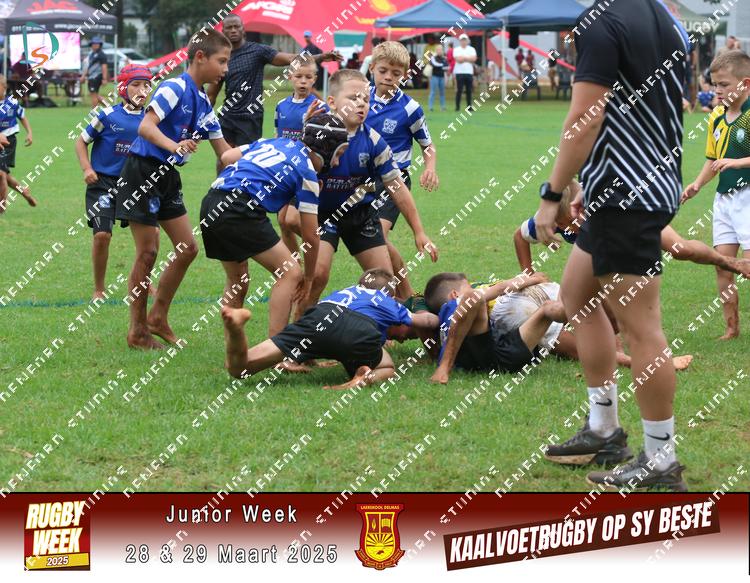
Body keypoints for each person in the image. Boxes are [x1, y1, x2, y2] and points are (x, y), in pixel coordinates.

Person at [532, 0, 690, 491]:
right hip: (632, 186)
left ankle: (661, 460)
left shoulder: (602, 22)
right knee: (576, 295)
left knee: (642, 329)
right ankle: (604, 430)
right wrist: (590, 181)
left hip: (628, 196)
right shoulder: (667, 20)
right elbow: (644, 111)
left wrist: (553, 194)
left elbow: (585, 117)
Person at [115, 28, 232, 350]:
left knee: (187, 248)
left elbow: (225, 152)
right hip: (141, 171)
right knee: (148, 252)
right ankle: (137, 331)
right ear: (200, 57)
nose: (225, 69)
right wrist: (175, 146)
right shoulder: (174, 87)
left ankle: (158, 318)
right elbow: (145, 127)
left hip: (167, 176)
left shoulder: (204, 103)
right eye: (222, 61)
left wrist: (264, 155)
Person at [200, 113, 348, 342]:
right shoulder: (307, 172)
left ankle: (234, 350)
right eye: (338, 154)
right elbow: (311, 236)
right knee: (290, 273)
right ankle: (276, 349)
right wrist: (309, 279)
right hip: (240, 209)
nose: (336, 163)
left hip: (212, 200)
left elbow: (228, 156)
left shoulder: (274, 141)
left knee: (237, 280)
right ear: (326, 149)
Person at [305, 69, 439, 309]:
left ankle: (383, 327)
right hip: (323, 215)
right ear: (332, 102)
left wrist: (419, 231)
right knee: (318, 275)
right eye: (353, 98)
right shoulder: (318, 133)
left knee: (385, 284)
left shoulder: (375, 141)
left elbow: (397, 187)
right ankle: (300, 324)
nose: (361, 104)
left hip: (360, 216)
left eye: (366, 99)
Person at [220, 269, 438, 389]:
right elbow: (425, 322)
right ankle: (362, 378)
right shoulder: (386, 300)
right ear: (390, 294)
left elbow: (332, 326)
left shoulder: (343, 292)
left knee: (239, 369)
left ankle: (236, 329)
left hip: (318, 316)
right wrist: (440, 315)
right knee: (388, 368)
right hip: (359, 328)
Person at [515, 180, 750, 279]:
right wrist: (528, 275)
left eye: (566, 221)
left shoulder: (600, 204)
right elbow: (520, 237)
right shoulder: (549, 218)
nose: (561, 227)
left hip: (634, 215)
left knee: (680, 250)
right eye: (558, 224)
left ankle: (730, 262)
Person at [682, 50, 750, 341]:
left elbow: (729, 161)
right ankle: (731, 328)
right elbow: (713, 159)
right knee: (723, 266)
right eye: (715, 84)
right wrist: (697, 184)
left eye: (724, 84)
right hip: (724, 200)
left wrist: (737, 163)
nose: (717, 91)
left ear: (745, 83)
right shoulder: (716, 117)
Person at [366, 41, 439, 301]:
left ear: (404, 75)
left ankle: (402, 293)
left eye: (396, 73)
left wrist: (430, 168)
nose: (388, 77)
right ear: (372, 68)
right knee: (372, 238)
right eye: (383, 70)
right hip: (362, 181)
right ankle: (404, 294)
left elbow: (427, 145)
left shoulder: (410, 108)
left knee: (377, 235)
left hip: (394, 181)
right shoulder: (359, 99)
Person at [206, 14, 341, 152]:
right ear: (223, 31)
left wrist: (321, 57)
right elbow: (211, 94)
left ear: (243, 29)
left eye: (237, 27)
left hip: (250, 117)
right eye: (229, 27)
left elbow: (291, 58)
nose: (233, 30)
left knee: (245, 158)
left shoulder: (257, 51)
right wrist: (203, 120)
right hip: (227, 116)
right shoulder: (223, 57)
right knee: (223, 159)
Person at [75, 65, 152, 300]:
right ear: (122, 88)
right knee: (102, 236)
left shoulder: (152, 119)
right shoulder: (106, 116)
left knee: (148, 240)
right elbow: (81, 141)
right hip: (102, 184)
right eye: (135, 85)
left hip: (134, 185)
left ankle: (144, 283)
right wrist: (87, 168)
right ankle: (99, 289)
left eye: (146, 85)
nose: (142, 90)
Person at [424, 272, 567, 385]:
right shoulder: (456, 303)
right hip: (498, 358)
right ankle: (445, 367)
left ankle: (565, 309)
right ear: (454, 294)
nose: (474, 289)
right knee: (473, 297)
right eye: (469, 287)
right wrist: (533, 279)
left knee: (547, 309)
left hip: (504, 356)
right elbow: (499, 288)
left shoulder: (442, 319)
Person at [273, 55, 324, 258]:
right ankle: (294, 266)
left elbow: (322, 143)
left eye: (308, 77)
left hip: (305, 171)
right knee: (282, 222)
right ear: (289, 76)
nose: (303, 81)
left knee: (292, 220)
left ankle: (321, 243)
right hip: (285, 170)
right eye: (298, 76)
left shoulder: (319, 107)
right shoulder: (281, 105)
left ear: (314, 79)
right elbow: (278, 137)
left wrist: (308, 123)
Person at [0, 75, 35, 211]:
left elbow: (22, 116)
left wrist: (29, 133)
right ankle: (24, 192)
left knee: (1, 174)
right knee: (5, 175)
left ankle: (1, 208)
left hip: (8, 141)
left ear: (4, 87)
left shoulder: (12, 102)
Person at [80, 37, 108, 108]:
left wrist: (104, 79)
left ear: (100, 45)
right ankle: (109, 107)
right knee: (94, 94)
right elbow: (89, 67)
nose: (95, 45)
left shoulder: (101, 54)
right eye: (93, 44)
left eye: (97, 44)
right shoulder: (92, 54)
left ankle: (94, 111)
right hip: (91, 77)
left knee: (94, 95)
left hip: (96, 77)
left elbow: (104, 67)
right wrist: (83, 76)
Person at [453, 34, 477, 111]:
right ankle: (457, 107)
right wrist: (468, 58)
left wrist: (463, 58)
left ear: (467, 41)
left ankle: (469, 107)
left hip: (469, 72)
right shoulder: (456, 49)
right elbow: (458, 60)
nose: (463, 42)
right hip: (459, 72)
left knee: (469, 90)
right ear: (460, 41)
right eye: (462, 40)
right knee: (459, 90)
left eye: (465, 40)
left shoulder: (472, 49)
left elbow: (474, 59)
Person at [429, 45, 447, 111]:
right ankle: (430, 107)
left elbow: (447, 67)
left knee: (442, 92)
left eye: (441, 49)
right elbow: (434, 64)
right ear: (436, 50)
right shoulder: (433, 57)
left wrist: (443, 66)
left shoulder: (444, 58)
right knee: (433, 92)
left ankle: (443, 107)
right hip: (434, 77)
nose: (440, 51)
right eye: (438, 49)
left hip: (442, 77)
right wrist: (442, 65)